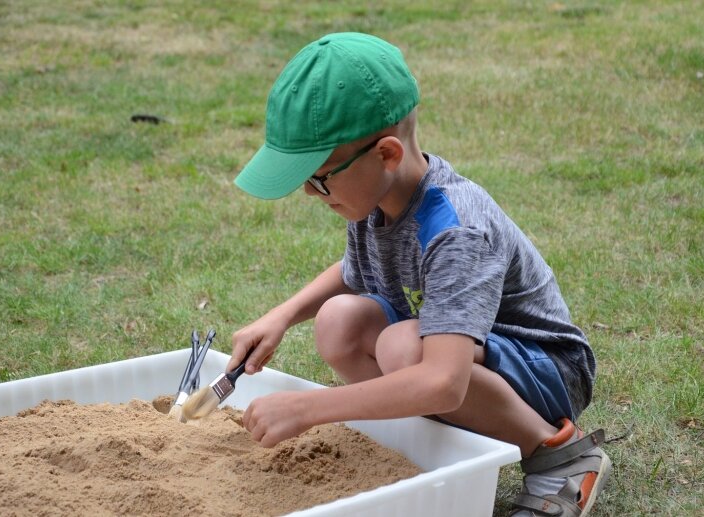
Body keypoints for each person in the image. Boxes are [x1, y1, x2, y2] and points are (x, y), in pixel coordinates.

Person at [227, 32, 611, 516]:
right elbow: (352, 273)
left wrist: (307, 409)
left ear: (386, 154)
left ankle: (560, 455)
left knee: (403, 348)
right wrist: (281, 316)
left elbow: (443, 383)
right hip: (469, 359)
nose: (308, 193)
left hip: (546, 370)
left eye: (318, 177)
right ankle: (438, 443)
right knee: (338, 321)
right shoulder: (373, 199)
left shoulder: (456, 227)